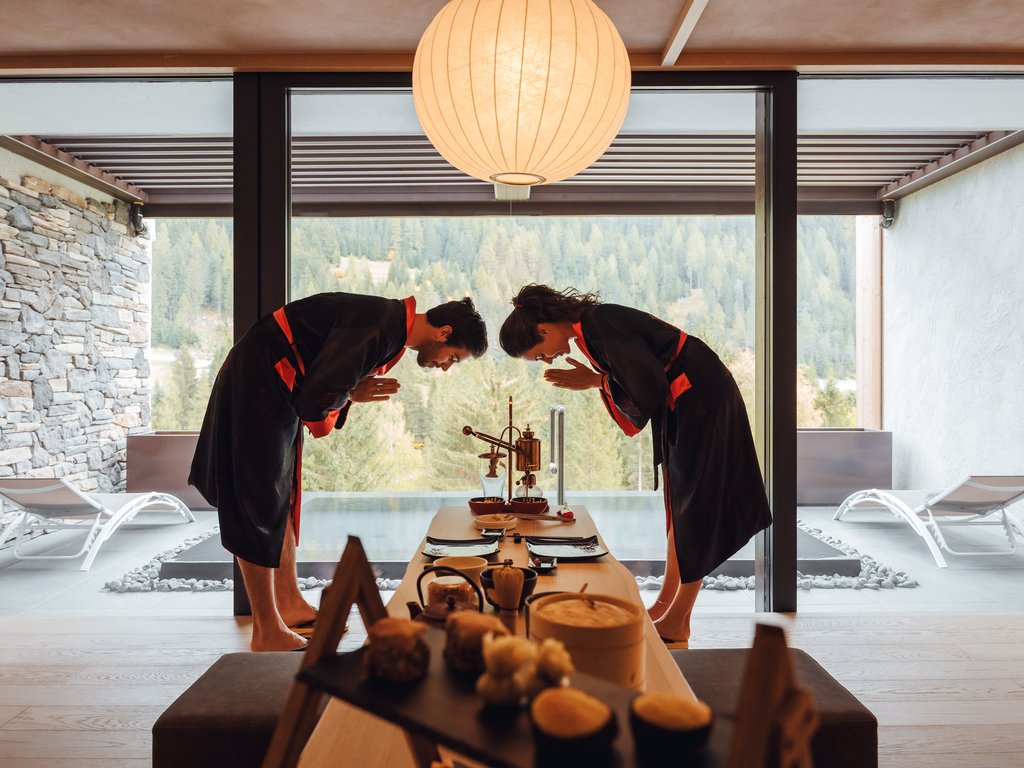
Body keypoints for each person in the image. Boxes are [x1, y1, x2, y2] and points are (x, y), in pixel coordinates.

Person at [189, 292, 488, 651]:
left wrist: (347, 393)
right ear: (444, 332)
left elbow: (321, 385)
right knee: (255, 501)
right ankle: (266, 629)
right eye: (453, 357)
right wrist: (352, 394)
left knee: (280, 497)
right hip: (261, 382)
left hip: (273, 385)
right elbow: (315, 397)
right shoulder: (381, 324)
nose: (445, 366)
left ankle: (289, 603)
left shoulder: (387, 323)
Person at [499, 285, 770, 646]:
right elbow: (643, 379)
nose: (547, 360)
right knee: (680, 504)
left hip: (696, 396)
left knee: (697, 509)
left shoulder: (598, 324)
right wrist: (598, 381)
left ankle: (678, 619)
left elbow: (648, 383)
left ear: (543, 330)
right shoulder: (590, 328)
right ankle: (662, 605)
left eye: (538, 355)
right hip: (687, 397)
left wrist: (594, 381)